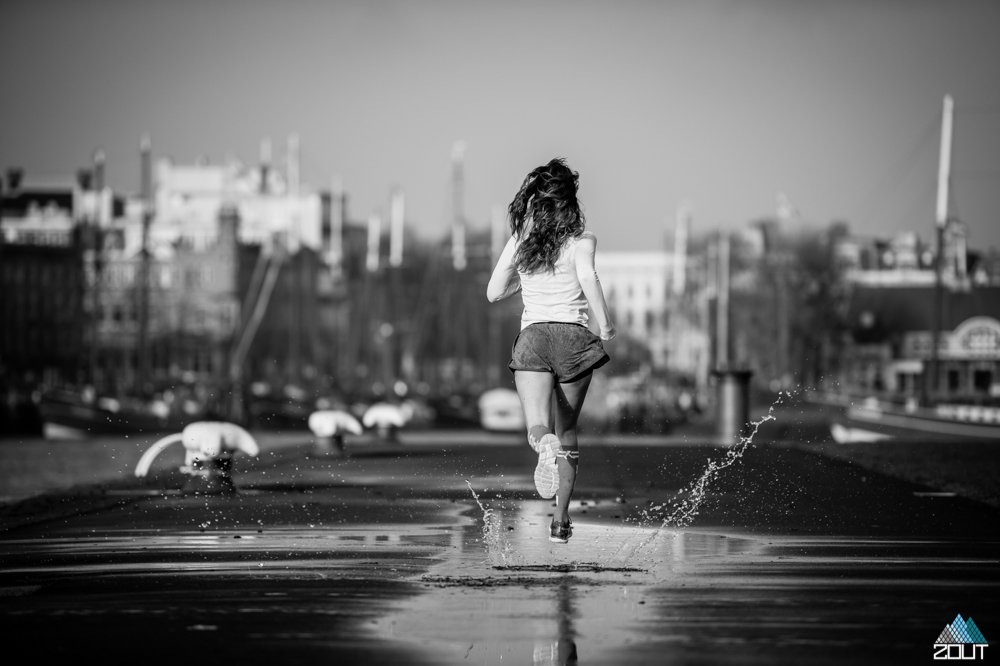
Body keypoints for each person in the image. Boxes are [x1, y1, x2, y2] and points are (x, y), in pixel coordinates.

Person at [487, 158, 616, 544]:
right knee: (569, 431)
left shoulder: (521, 240)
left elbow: (494, 292)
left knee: (538, 427)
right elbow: (586, 277)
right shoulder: (583, 240)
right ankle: (560, 520)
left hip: (535, 338)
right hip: (575, 340)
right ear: (570, 201)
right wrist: (605, 324)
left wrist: (524, 283)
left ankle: (543, 443)